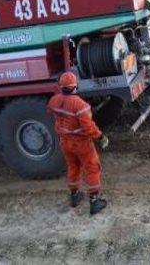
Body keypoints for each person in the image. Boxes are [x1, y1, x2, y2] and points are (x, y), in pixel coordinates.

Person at [47, 72, 109, 215]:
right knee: (92, 168)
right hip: (81, 143)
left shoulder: (54, 100)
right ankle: (94, 202)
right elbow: (89, 127)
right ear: (75, 86)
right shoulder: (81, 105)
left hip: (64, 141)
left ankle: (74, 196)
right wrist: (100, 137)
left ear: (61, 86)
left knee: (73, 167)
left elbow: (50, 110)